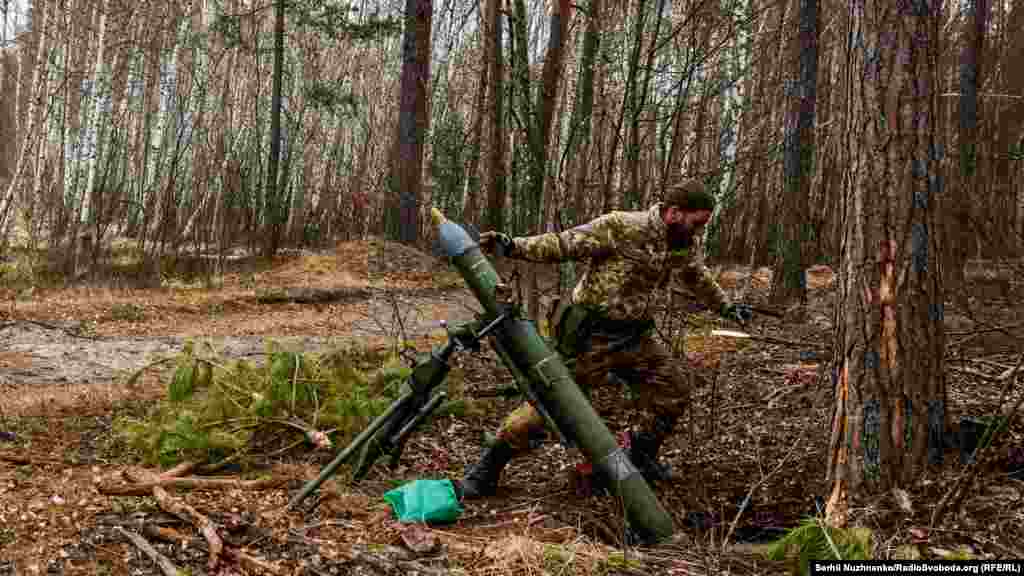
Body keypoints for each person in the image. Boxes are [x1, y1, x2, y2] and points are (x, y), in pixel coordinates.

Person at [459, 178, 751, 499]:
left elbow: (696, 275)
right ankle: (486, 470)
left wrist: (727, 306)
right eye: (697, 223)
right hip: (591, 338)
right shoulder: (621, 227)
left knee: (673, 392)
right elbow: (564, 243)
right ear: (674, 213)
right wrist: (513, 245)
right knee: (552, 405)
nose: (699, 231)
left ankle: (638, 459)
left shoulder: (683, 243)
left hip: (635, 337)